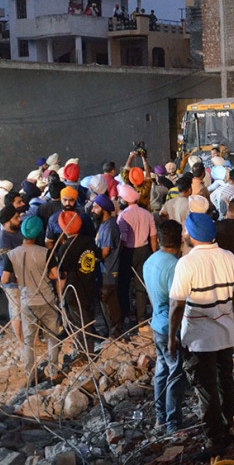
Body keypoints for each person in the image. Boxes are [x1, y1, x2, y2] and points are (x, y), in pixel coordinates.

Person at [168, 212, 234, 459]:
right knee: (225, 382)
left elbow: (177, 305)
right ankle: (228, 427)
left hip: (199, 339)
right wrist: (233, 322)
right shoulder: (230, 257)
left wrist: (171, 337)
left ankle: (213, 440)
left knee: (206, 388)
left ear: (190, 235)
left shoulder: (187, 263)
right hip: (226, 334)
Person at [3, 216, 61, 385]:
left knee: (28, 342)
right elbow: (55, 275)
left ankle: (31, 376)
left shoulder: (11, 255)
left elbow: (5, 279)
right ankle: (53, 374)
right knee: (52, 338)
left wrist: (20, 279)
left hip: (27, 301)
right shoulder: (45, 253)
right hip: (47, 300)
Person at [144, 219, 188, 434]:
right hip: (171, 328)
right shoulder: (175, 266)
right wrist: (173, 335)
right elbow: (176, 304)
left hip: (157, 324)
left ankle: (160, 418)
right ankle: (173, 423)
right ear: (180, 240)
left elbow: (152, 297)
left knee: (161, 372)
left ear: (160, 240)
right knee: (175, 374)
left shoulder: (150, 261)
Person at [52, 210, 101, 354]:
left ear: (63, 228)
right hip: (90, 286)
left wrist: (60, 297)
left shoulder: (65, 248)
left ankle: (85, 353)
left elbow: (62, 276)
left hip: (74, 292)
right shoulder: (89, 241)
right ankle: (86, 349)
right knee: (87, 319)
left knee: (81, 325)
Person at [117, 184, 158, 325]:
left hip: (128, 252)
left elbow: (122, 239)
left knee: (125, 284)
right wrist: (154, 254)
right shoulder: (147, 214)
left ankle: (127, 314)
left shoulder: (123, 216)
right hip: (144, 251)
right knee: (141, 285)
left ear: (124, 200)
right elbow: (153, 237)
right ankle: (141, 318)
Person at [0, 204, 23, 351]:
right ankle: (21, 342)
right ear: (7, 222)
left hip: (23, 279)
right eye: (16, 218)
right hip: (12, 282)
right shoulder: (2, 240)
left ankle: (31, 339)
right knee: (17, 312)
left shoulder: (16, 231)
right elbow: (10, 265)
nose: (19, 219)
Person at [91, 194, 122, 339]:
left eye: (95, 207)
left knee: (110, 303)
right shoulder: (103, 224)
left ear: (103, 209)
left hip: (109, 271)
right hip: (102, 271)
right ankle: (110, 331)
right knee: (105, 303)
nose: (93, 210)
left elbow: (104, 252)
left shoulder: (110, 227)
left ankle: (116, 333)